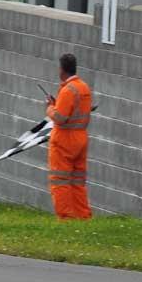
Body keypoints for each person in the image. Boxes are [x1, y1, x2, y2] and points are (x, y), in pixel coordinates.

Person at [45, 53, 93, 220]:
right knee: (77, 180)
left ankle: (66, 218)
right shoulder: (84, 87)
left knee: (60, 180)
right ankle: (83, 216)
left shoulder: (67, 90)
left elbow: (60, 117)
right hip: (81, 138)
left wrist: (50, 108)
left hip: (65, 140)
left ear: (62, 69)